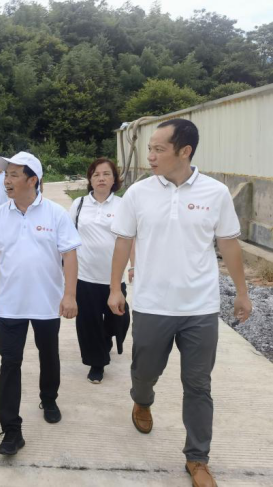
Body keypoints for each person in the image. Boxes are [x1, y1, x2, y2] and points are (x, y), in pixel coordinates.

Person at [108, 119, 252, 487]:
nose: (150, 156)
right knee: (144, 372)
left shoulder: (215, 193)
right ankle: (142, 400)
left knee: (198, 384)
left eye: (159, 149)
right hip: (152, 304)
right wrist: (115, 288)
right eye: (149, 148)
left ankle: (198, 458)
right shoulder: (138, 193)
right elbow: (123, 241)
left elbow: (228, 243)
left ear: (184, 151)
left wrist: (242, 292)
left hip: (199, 308)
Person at [0, 152, 81, 456]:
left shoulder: (55, 213)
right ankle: (12, 430)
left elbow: (70, 254)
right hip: (11, 305)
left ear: (32, 180)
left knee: (49, 354)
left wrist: (69, 294)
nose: (6, 181)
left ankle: (49, 399)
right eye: (5, 175)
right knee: (10, 363)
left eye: (13, 174)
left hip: (47, 303)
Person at [69, 158, 132, 384]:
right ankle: (97, 364)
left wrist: (134, 266)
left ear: (114, 179)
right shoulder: (78, 205)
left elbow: (131, 239)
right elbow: (67, 237)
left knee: (118, 319)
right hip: (84, 276)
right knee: (88, 323)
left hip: (113, 278)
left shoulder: (123, 205)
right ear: (90, 179)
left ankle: (107, 338)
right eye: (96, 174)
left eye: (106, 174)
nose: (101, 178)